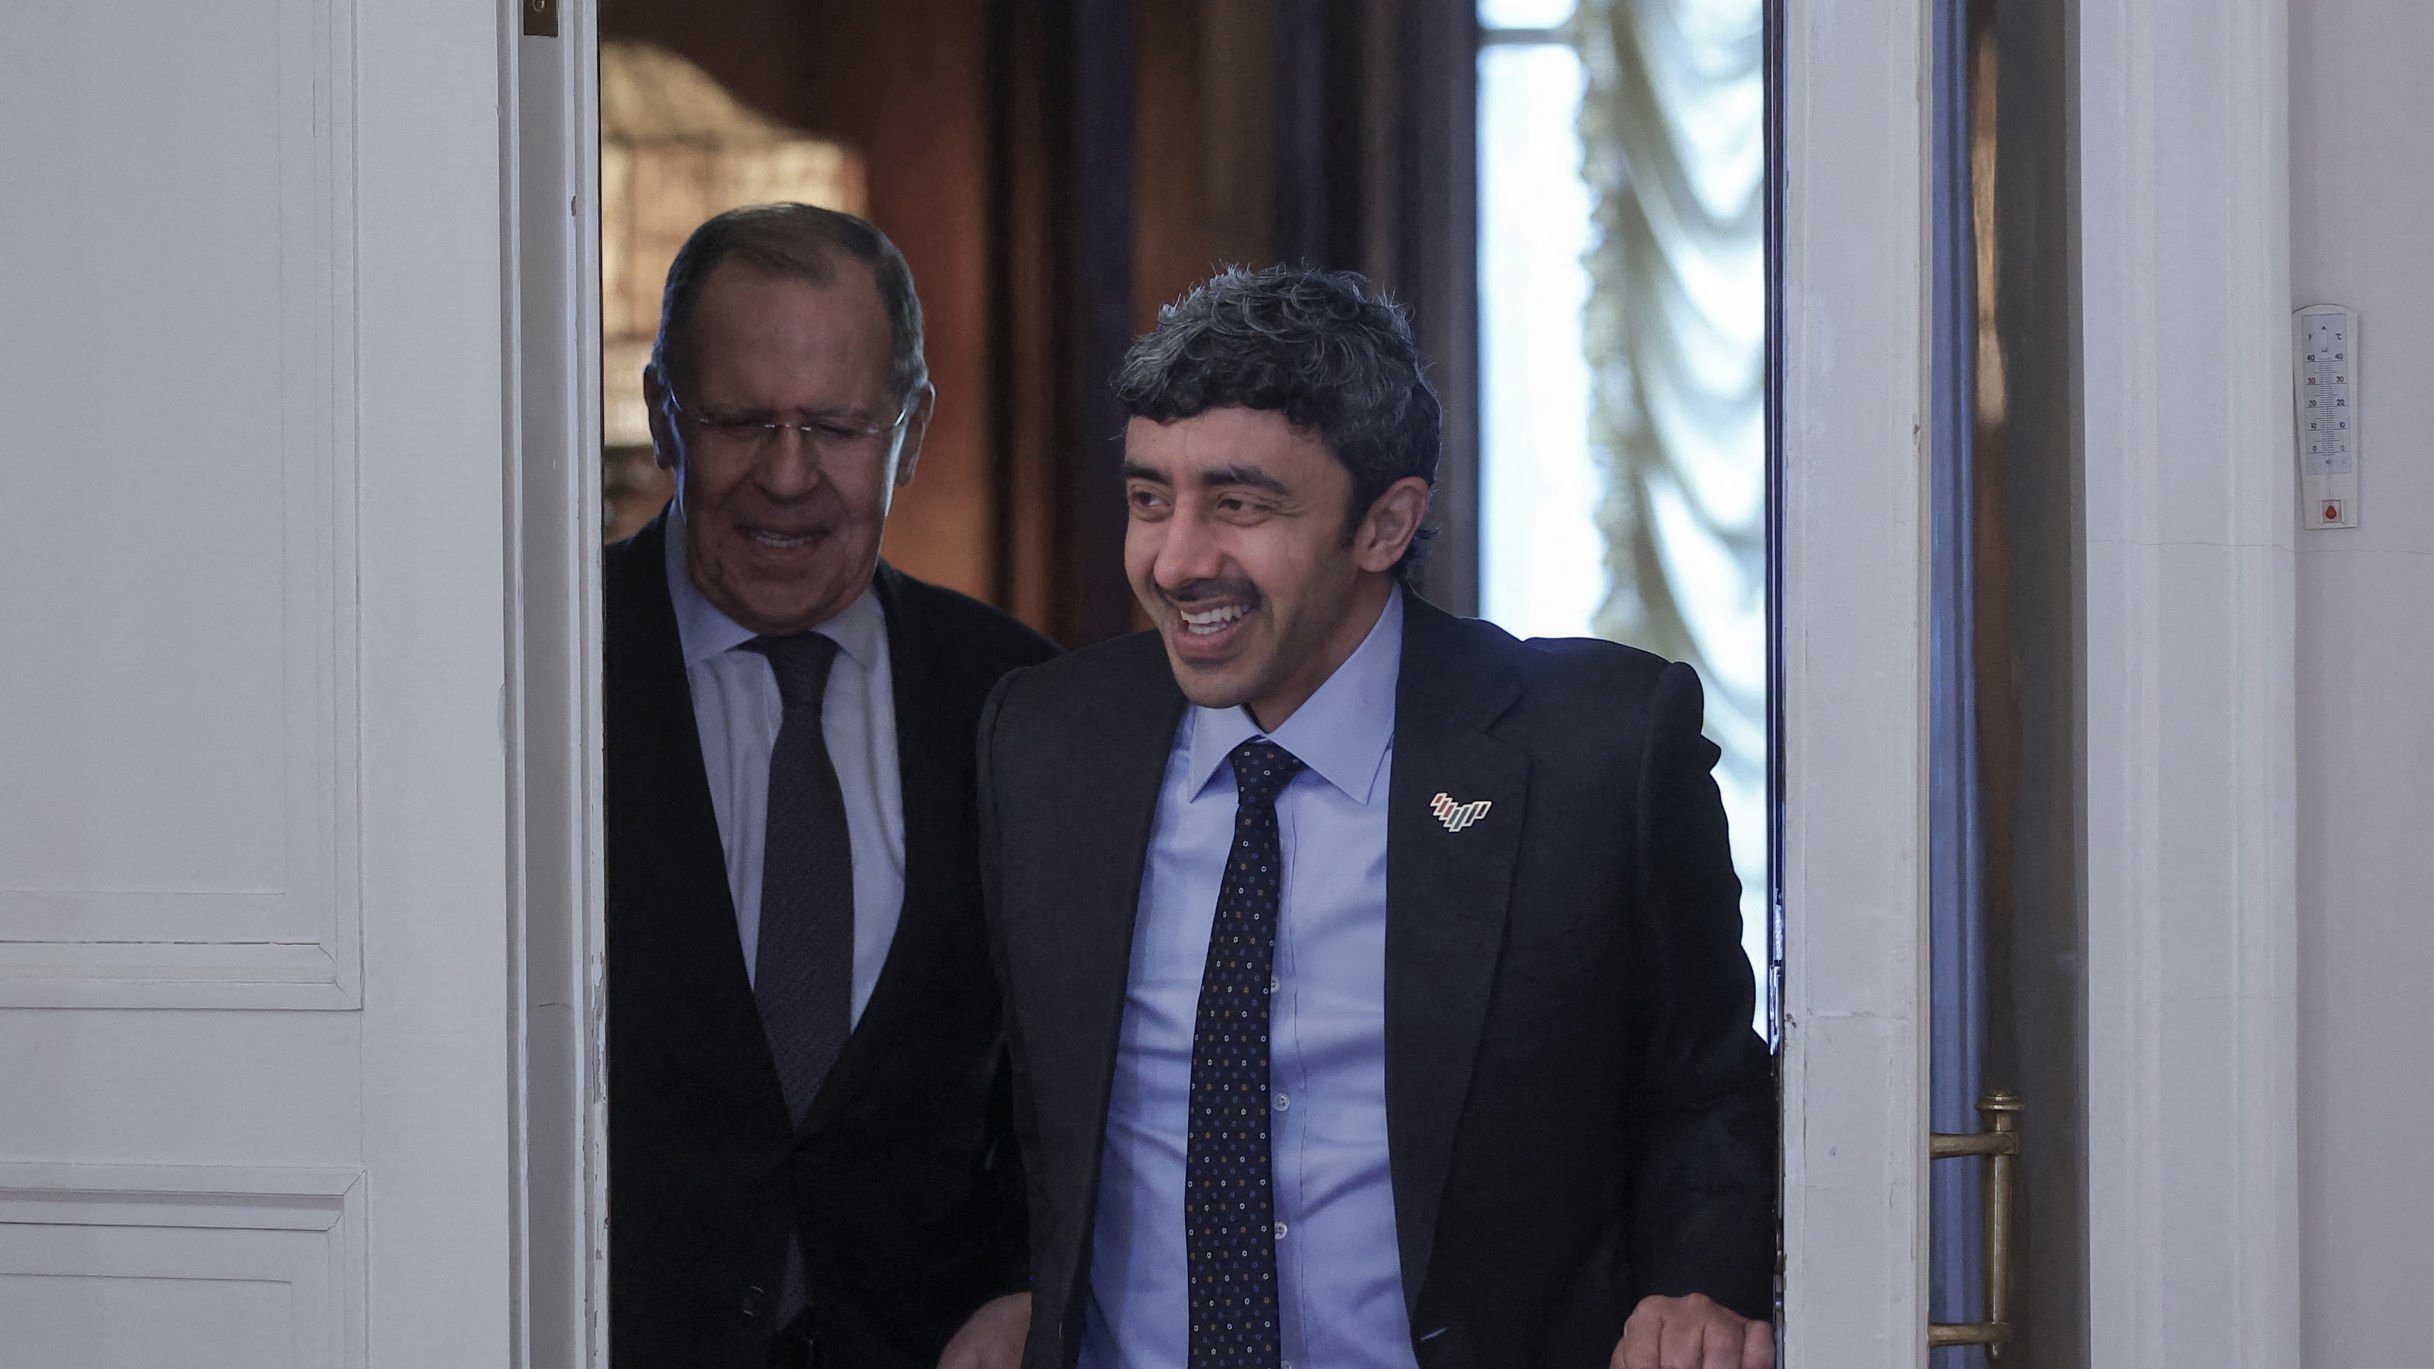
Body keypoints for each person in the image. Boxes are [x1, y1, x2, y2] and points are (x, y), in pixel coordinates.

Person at [978, 265, 1776, 1369]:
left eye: (1240, 504)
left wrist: (1698, 1289)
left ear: (1385, 523)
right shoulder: (1047, 737)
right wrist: (1004, 1289)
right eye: (1149, 497)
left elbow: (1709, 1090)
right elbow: (996, 1095)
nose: (1174, 560)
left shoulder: (1596, 750)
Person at [606, 204, 1053, 1369]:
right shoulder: (532, 669)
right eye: (744, 421)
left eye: (839, 428)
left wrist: (1023, 1287)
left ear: (911, 429)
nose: (789, 477)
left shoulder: (1016, 700)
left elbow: (1071, 1071)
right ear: (664, 416)